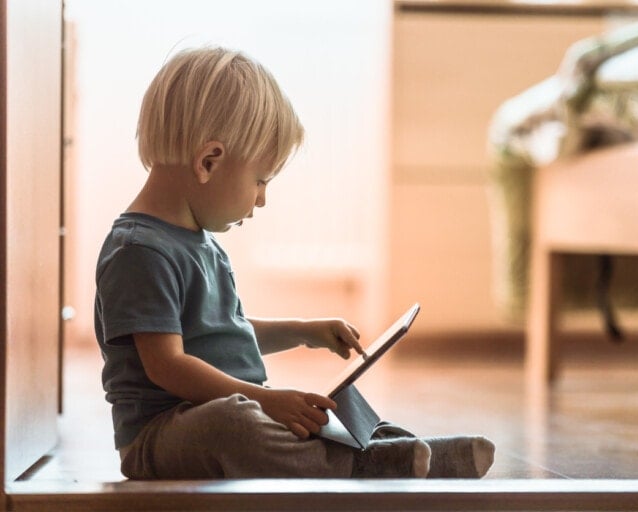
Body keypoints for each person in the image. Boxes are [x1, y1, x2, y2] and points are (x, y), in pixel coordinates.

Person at [94, 46, 495, 479]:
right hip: (164, 435)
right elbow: (168, 366)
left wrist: (303, 332)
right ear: (209, 162)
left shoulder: (198, 242)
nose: (262, 198)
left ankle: (401, 449)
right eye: (260, 180)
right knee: (234, 424)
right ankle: (367, 466)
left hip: (231, 407)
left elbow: (226, 335)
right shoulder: (139, 251)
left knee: (327, 406)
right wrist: (265, 400)